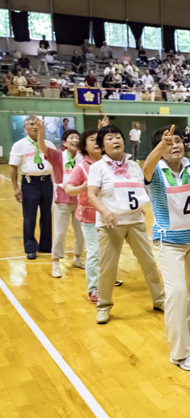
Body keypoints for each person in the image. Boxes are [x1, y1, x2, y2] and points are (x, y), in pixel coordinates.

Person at [141, 126, 190, 370]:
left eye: (178, 141)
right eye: (168, 143)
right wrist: (161, 147)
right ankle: (179, 354)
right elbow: (146, 168)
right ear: (159, 149)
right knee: (177, 292)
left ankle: (187, 326)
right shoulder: (156, 171)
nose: (175, 145)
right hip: (169, 242)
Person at [87, 125, 165, 324]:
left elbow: (137, 190)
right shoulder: (98, 167)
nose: (116, 141)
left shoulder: (133, 165)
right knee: (108, 268)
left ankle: (159, 299)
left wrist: (140, 205)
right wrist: (105, 211)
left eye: (118, 137)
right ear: (103, 146)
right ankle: (103, 305)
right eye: (110, 138)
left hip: (135, 221)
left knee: (149, 263)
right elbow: (91, 195)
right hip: (110, 224)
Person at [65, 118, 122, 303]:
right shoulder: (82, 167)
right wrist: (82, 187)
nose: (97, 142)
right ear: (84, 147)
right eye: (92, 140)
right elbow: (68, 189)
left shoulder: (111, 164)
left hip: (110, 215)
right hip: (89, 217)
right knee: (95, 252)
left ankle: (107, 278)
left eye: (99, 139)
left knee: (109, 251)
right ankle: (93, 288)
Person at [36, 125, 85, 278]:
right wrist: (41, 132)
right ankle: (56, 262)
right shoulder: (58, 156)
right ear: (64, 142)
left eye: (77, 138)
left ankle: (77, 258)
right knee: (59, 233)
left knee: (81, 232)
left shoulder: (83, 157)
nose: (75, 140)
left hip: (80, 199)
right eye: (71, 138)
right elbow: (42, 146)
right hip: (62, 200)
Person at [9, 116, 56, 259]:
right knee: (29, 216)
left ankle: (46, 245)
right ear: (25, 127)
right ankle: (30, 247)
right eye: (31, 124)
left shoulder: (49, 144)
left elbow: (56, 164)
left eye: (37, 124)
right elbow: (13, 167)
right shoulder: (19, 145)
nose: (35, 127)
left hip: (47, 182)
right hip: (30, 183)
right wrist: (16, 188)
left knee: (47, 215)